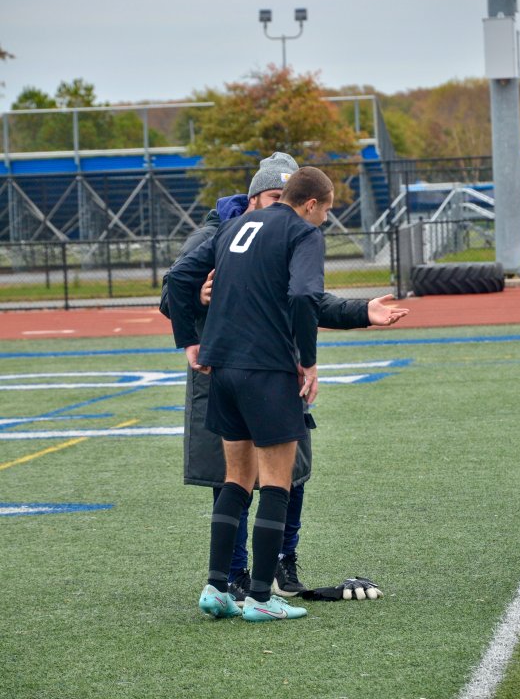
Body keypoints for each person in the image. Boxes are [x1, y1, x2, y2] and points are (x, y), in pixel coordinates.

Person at [160, 152, 407, 606]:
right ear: (258, 197)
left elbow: (306, 298)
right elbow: (177, 288)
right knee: (259, 479)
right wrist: (197, 312)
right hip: (264, 369)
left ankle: (250, 576)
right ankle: (249, 586)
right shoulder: (239, 229)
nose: (284, 205)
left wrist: (361, 311)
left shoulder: (239, 230)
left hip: (232, 367)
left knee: (266, 477)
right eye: (276, 196)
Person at [168, 165, 334, 621]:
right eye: (326, 212)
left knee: (237, 479)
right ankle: (261, 597)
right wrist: (308, 358)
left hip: (223, 369)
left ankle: (217, 588)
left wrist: (190, 340)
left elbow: (179, 278)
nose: (324, 222)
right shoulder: (302, 233)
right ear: (311, 203)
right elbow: (303, 296)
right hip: (268, 369)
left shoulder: (234, 226)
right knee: (276, 483)